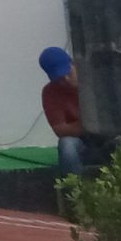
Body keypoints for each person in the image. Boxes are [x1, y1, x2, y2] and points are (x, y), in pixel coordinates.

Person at [41, 45, 98, 175]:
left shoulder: (95, 78)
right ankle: (75, 190)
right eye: (59, 79)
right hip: (81, 141)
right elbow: (60, 130)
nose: (66, 80)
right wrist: (90, 124)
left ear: (74, 64)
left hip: (108, 138)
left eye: (68, 73)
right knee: (66, 144)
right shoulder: (50, 92)